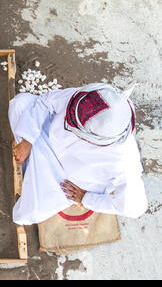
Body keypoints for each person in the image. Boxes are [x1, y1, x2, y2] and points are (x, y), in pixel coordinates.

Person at [8, 83, 148, 225]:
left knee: (28, 213)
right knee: (19, 104)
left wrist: (87, 199)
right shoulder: (91, 97)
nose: (65, 120)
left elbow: (135, 207)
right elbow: (45, 102)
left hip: (64, 179)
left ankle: (33, 175)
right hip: (49, 141)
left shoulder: (125, 160)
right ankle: (31, 169)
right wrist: (28, 140)